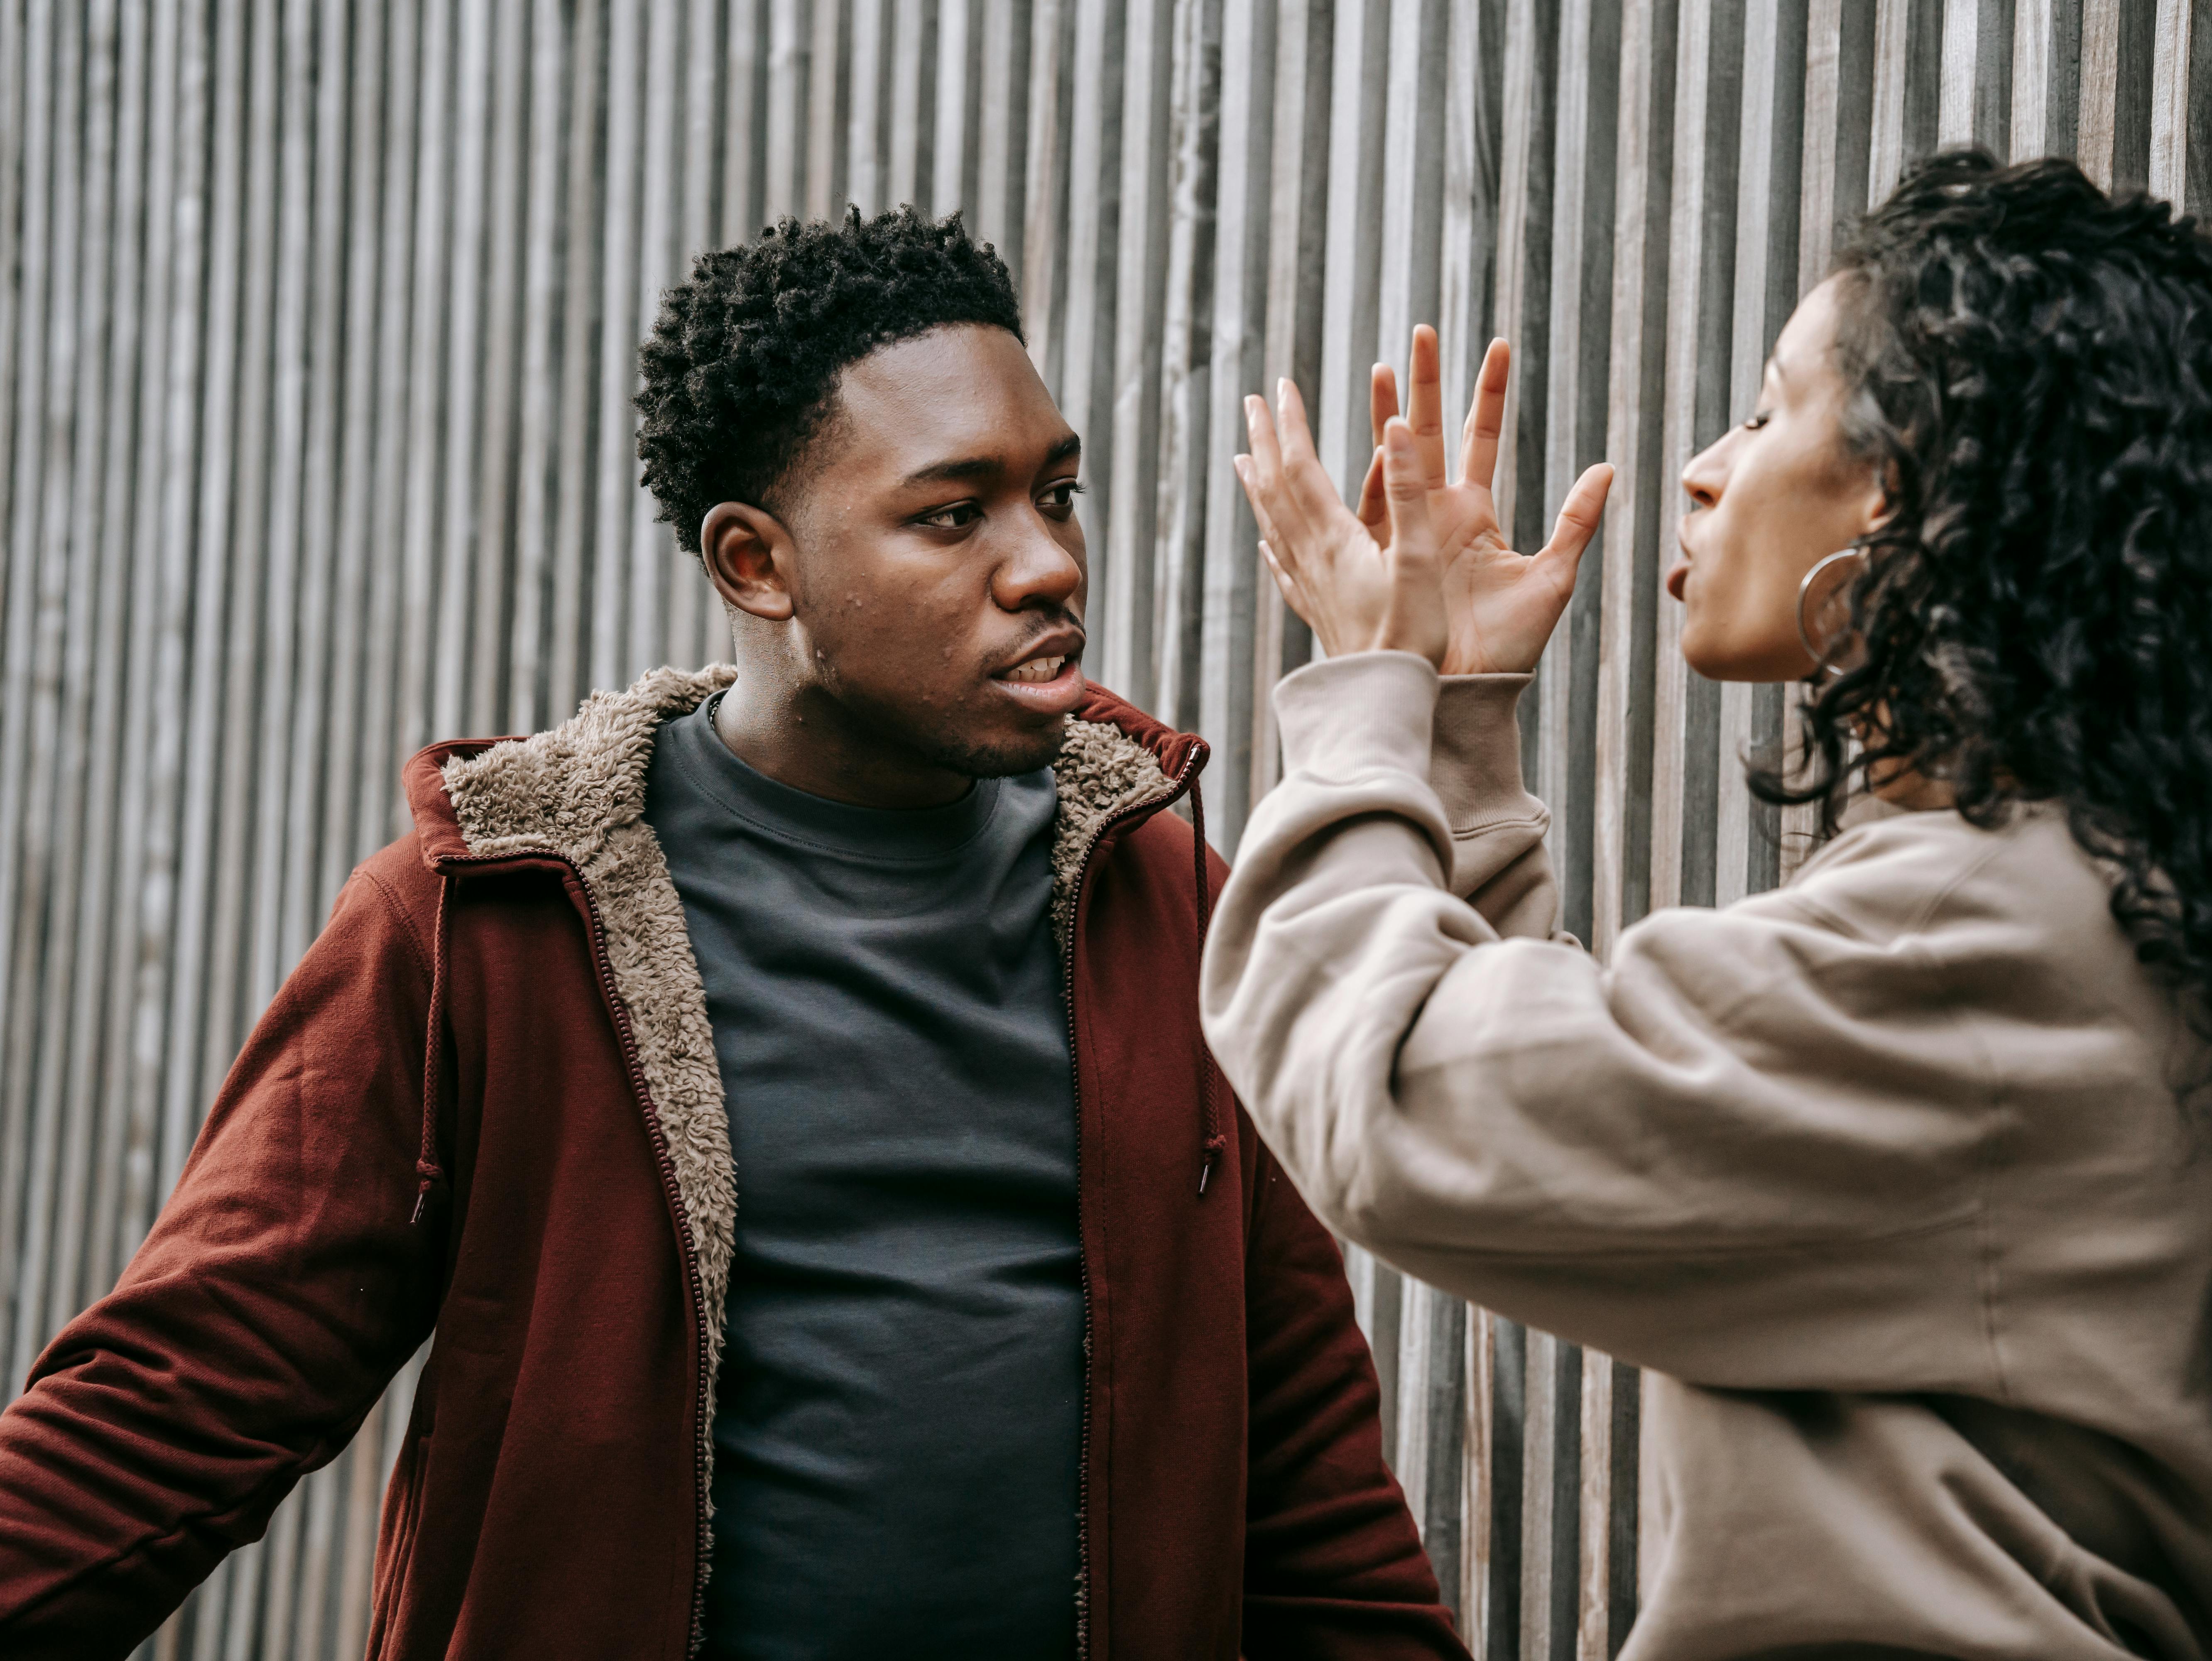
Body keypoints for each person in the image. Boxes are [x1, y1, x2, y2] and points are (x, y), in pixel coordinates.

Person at [0, 208, 1467, 1661]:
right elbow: (177, 1404)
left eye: (1058, 493)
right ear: (758, 565)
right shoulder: (488, 918)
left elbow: (1315, 1499)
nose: (1047, 566)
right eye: (954, 515)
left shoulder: (1175, 907)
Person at [1212, 151, 2212, 1659]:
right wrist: (1465, 722)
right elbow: (1569, 1134)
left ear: (1902, 493)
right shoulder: (2081, 899)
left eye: (1765, 411)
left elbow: (1408, 1106)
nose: (1704, 464)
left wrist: (1372, 687)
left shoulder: (1978, 939)